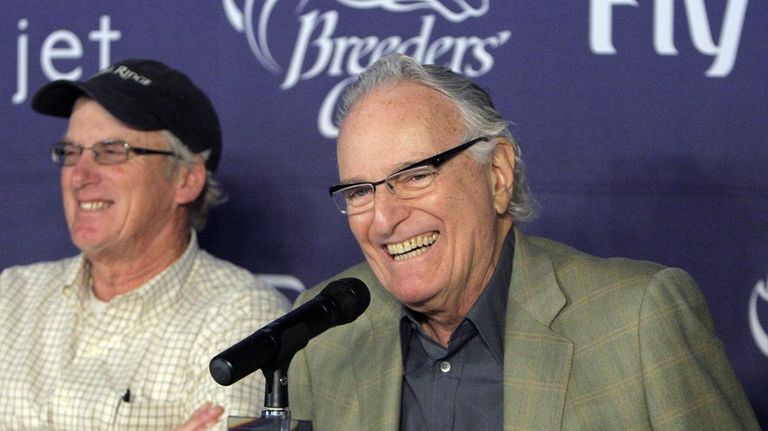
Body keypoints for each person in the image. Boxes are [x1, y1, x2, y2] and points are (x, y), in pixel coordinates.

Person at [287, 53, 760, 430]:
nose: (385, 219)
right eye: (359, 191)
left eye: (415, 176)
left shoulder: (638, 321)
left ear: (497, 174)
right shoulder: (323, 333)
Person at [0, 59, 290, 430]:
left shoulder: (243, 319)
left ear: (186, 179)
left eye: (111, 151)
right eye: (71, 153)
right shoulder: (12, 296)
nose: (80, 176)